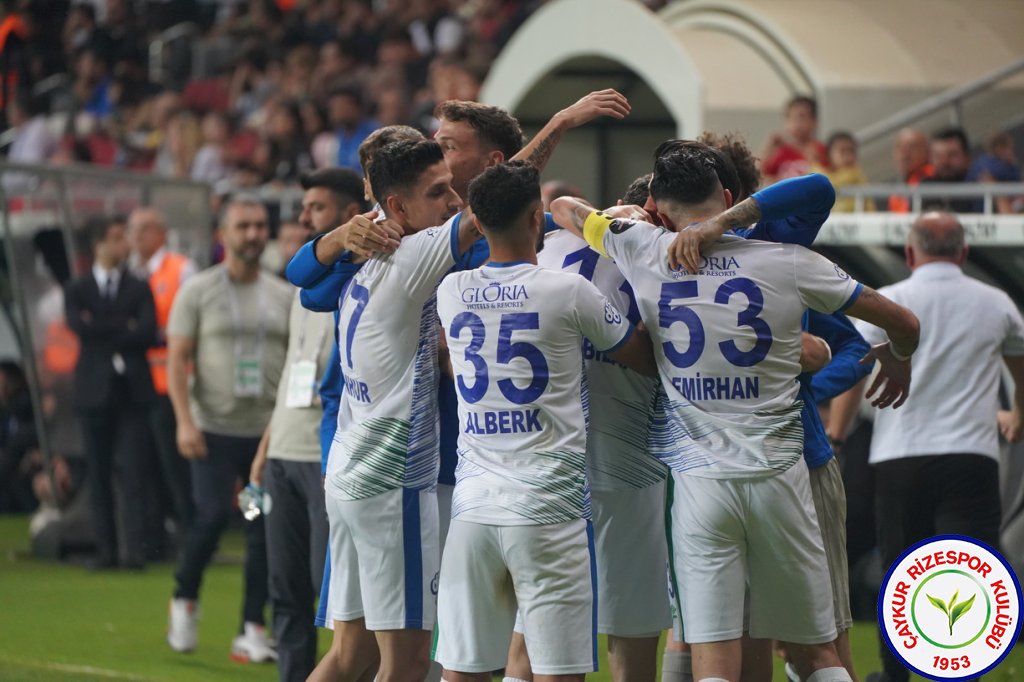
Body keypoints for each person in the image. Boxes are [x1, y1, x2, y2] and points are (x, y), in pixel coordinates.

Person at [553, 145, 920, 682]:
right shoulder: (788, 259)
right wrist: (900, 357)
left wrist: (619, 217)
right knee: (816, 653)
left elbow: (564, 206)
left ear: (655, 207)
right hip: (781, 480)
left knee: (714, 660)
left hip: (702, 488)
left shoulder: (640, 248)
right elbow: (903, 322)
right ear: (728, 198)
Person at [434, 161, 657, 682]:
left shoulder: (452, 291)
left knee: (462, 672)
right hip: (547, 510)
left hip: (472, 510)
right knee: (558, 671)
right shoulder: (565, 292)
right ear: (537, 218)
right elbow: (643, 357)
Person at [313, 139, 478, 682]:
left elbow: (302, 278)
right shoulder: (412, 257)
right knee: (406, 664)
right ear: (398, 208)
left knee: (349, 656)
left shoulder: (360, 258)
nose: (453, 200)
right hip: (393, 485)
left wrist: (336, 237)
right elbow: (491, 210)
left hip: (349, 472)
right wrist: (562, 123)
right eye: (438, 192)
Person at [854, 212, 1024, 682]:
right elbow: (1020, 364)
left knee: (900, 572)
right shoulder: (996, 301)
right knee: (971, 571)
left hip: (899, 456)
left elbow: (854, 367)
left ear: (909, 254)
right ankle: (960, 670)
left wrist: (839, 430)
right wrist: (1019, 416)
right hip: (971, 455)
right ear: (965, 253)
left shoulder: (889, 300)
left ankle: (895, 676)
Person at [249, 167, 367, 682]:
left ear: (347, 215)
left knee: (338, 596)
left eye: (316, 209)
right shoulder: (303, 284)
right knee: (286, 590)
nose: (303, 218)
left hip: (329, 458)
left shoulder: (355, 279)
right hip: (283, 456)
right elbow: (292, 379)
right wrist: (264, 451)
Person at [165, 197, 293, 663]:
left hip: (264, 433)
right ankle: (184, 597)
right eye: (244, 226)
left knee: (260, 527)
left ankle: (251, 627)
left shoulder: (283, 293)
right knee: (212, 516)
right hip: (212, 430)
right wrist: (183, 420)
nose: (254, 234)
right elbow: (177, 360)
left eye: (261, 225)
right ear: (224, 233)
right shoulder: (198, 291)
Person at [64, 215, 157, 570]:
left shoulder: (138, 285)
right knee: (99, 474)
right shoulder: (78, 287)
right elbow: (77, 327)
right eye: (117, 238)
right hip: (93, 392)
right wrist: (123, 325)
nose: (125, 245)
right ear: (98, 244)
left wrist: (99, 327)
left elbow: (147, 331)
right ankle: (106, 551)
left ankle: (134, 551)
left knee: (134, 473)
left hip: (132, 392)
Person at [127, 206, 197, 539]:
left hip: (172, 382)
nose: (136, 236)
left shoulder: (181, 269)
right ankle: (157, 532)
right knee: (145, 465)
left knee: (176, 465)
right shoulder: (130, 272)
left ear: (162, 234)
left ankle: (190, 531)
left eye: (144, 229)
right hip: (136, 384)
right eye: (133, 230)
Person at [760, 95, 829, 184]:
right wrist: (768, 147)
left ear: (814, 121)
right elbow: (759, 175)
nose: (796, 123)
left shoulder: (821, 150)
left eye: (801, 117)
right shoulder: (780, 151)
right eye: (791, 118)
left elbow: (830, 178)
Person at [921, 128, 977, 213]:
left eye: (952, 155)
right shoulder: (925, 187)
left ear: (967, 157)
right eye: (938, 156)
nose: (944, 162)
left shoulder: (978, 186)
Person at [825, 132, 874, 212]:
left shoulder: (859, 175)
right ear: (829, 154)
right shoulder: (821, 176)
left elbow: (869, 204)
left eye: (852, 151)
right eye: (842, 151)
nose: (848, 156)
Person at [888, 128, 934, 213]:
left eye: (912, 147)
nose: (904, 154)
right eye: (899, 147)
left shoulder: (934, 179)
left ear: (927, 151)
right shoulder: (894, 184)